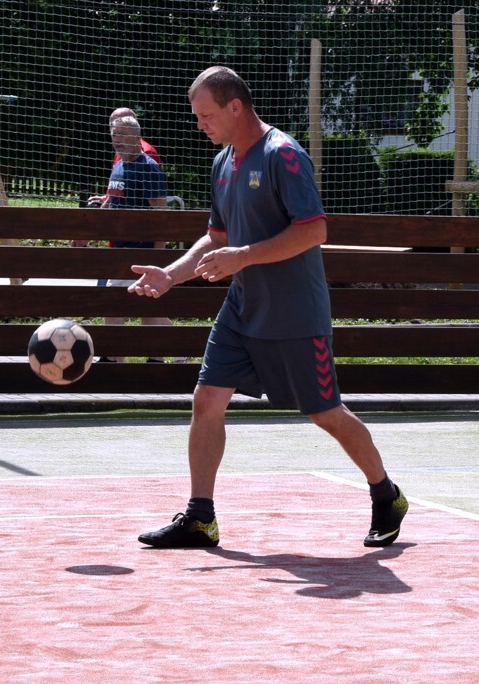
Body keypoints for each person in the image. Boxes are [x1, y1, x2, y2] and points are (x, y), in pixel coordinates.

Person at [128, 65, 407, 550]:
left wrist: (243, 256)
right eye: (197, 116)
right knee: (206, 400)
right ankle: (200, 517)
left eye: (206, 115)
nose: (200, 124)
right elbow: (216, 238)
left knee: (326, 414)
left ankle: (386, 494)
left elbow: (314, 230)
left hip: (296, 314)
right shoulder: (223, 163)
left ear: (235, 106)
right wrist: (171, 275)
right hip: (242, 309)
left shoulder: (284, 154)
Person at [97, 115, 173, 360]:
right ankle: (159, 356)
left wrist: (157, 256)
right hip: (119, 249)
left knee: (116, 302)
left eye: (122, 134)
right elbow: (113, 200)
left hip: (140, 250)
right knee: (143, 306)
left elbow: (161, 215)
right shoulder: (119, 164)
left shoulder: (148, 168)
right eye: (114, 134)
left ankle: (114, 358)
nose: (117, 139)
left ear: (136, 137)